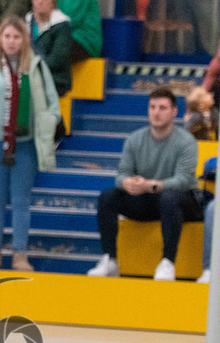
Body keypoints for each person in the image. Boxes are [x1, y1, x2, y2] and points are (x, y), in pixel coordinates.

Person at [0, 15, 60, 272]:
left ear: (24, 39)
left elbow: (53, 103)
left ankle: (20, 254)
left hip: (25, 144)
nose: (12, 41)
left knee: (21, 200)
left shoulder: (36, 67)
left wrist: (48, 126)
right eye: (7, 36)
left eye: (17, 37)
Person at [87, 87, 203, 281]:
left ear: (174, 111)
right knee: (108, 196)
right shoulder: (134, 139)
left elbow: (183, 180)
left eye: (162, 108)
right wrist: (128, 183)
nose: (156, 113)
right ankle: (110, 259)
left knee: (170, 197)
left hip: (183, 201)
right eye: (152, 107)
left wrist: (150, 184)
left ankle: (168, 262)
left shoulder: (186, 141)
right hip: (147, 199)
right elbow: (120, 175)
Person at [26, 0, 72, 97]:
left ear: (52, 1)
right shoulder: (27, 22)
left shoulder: (62, 24)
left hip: (55, 79)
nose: (39, 1)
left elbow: (57, 59)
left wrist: (32, 67)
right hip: (30, 76)